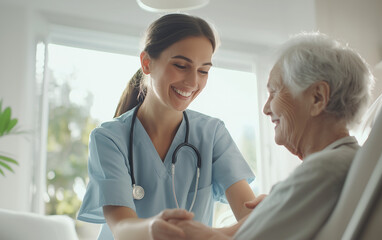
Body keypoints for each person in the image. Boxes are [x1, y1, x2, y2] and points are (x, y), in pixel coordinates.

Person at [173, 32, 374, 239]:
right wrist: (274, 208)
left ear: (317, 98)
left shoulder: (325, 168)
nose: (266, 108)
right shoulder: (350, 162)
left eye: (275, 92)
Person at [77, 13, 255, 240]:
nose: (193, 82)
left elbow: (249, 214)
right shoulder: (109, 138)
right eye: (181, 65)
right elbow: (122, 228)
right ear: (146, 63)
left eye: (204, 71)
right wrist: (154, 229)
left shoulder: (212, 134)